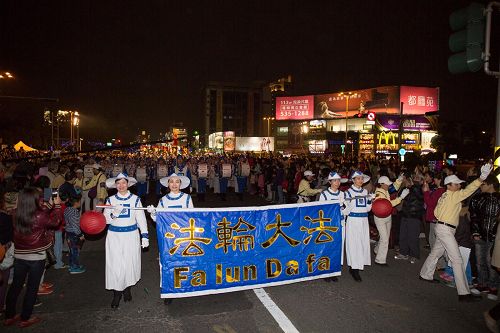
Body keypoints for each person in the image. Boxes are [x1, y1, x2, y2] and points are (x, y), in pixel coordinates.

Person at [419, 163, 492, 302]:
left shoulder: (444, 196)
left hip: (442, 227)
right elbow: (468, 190)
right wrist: (481, 178)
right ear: (450, 185)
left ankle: (425, 274)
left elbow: (436, 212)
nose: (460, 186)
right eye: (457, 184)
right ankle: (464, 293)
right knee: (457, 260)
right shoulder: (453, 195)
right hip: (446, 229)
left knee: (436, 253)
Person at [4, 187, 63, 328]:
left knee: (16, 286)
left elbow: (39, 214)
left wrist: (49, 205)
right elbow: (55, 222)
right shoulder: (39, 215)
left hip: (19, 255)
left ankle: (9, 316)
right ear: (34, 200)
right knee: (32, 287)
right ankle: (25, 317)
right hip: (36, 256)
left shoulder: (15, 213)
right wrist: (58, 206)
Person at [103, 173, 149, 309]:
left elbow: (141, 218)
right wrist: (114, 213)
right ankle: (117, 293)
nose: (121, 185)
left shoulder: (135, 199)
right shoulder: (110, 200)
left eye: (124, 183)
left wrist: (145, 235)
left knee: (129, 262)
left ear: (128, 184)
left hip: (131, 235)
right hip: (114, 236)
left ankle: (127, 288)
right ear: (115, 185)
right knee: (115, 264)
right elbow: (105, 221)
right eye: (119, 183)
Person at [469, 174, 500, 298]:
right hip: (480, 235)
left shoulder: (498, 198)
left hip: (495, 237)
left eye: (483, 184)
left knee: (491, 262)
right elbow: (474, 217)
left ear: (491, 184)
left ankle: (493, 287)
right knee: (479, 261)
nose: (481, 186)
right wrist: (475, 232)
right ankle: (482, 283)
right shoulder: (478, 198)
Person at [343, 170, 373, 282]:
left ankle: (357, 265)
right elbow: (345, 210)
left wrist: (370, 201)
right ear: (353, 180)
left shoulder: (365, 192)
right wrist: (349, 203)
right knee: (354, 244)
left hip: (364, 220)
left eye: (362, 179)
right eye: (358, 178)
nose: (361, 181)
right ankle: (354, 268)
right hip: (353, 220)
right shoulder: (348, 193)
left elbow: (368, 209)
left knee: (362, 243)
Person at [318, 171, 347, 282]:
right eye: (334, 180)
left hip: (340, 223)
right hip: (328, 225)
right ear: (330, 182)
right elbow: (321, 210)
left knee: (338, 246)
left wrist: (344, 209)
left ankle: (334, 270)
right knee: (328, 246)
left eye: (339, 180)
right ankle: (326, 270)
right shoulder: (324, 195)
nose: (337, 183)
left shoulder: (342, 194)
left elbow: (345, 209)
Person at [374, 175, 409, 265]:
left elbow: (393, 187)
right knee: (385, 239)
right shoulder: (379, 193)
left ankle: (377, 249)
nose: (388, 185)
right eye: (387, 184)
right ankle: (380, 260)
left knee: (385, 236)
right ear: (381, 184)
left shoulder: (384, 189)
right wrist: (401, 198)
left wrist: (399, 180)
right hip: (380, 218)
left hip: (387, 216)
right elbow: (388, 204)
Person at [396, 173, 425, 264]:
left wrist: (411, 185)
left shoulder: (421, 188)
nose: (415, 179)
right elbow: (400, 195)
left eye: (418, 178)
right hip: (405, 213)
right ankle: (403, 253)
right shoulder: (409, 187)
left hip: (414, 215)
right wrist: (405, 186)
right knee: (403, 235)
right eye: (414, 177)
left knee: (413, 237)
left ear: (421, 181)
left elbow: (419, 195)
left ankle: (414, 255)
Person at [64, 193, 85, 274]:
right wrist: (80, 235)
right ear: (76, 203)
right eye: (79, 202)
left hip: (68, 233)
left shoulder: (67, 209)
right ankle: (75, 268)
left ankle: (72, 265)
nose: (80, 203)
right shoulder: (74, 212)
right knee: (75, 251)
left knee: (72, 251)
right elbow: (75, 226)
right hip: (74, 234)